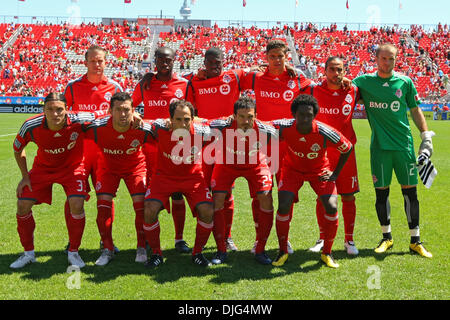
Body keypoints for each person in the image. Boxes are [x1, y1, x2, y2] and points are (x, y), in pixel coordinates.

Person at [352, 43, 433, 258]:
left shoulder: (405, 82)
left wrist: (425, 136)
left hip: (404, 146)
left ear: (396, 60)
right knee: (382, 194)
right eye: (384, 58)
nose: (387, 62)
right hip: (379, 148)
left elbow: (415, 110)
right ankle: (386, 237)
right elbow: (342, 90)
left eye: (391, 59)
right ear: (376, 59)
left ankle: (415, 241)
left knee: (410, 194)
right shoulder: (364, 82)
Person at [10, 93, 105, 269]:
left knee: (76, 203)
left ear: (66, 110)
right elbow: (17, 149)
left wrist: (134, 115)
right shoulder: (30, 125)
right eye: (50, 110)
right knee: (22, 204)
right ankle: (28, 254)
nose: (55, 114)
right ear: (43, 110)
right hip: (43, 169)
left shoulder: (79, 119)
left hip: (72, 169)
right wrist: (25, 176)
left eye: (59, 109)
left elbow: (107, 115)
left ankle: (73, 252)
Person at [240, 39, 315, 254]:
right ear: (266, 57)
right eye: (272, 56)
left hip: (287, 146)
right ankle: (259, 238)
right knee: (261, 194)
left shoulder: (297, 79)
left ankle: (285, 237)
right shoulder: (255, 77)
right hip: (262, 145)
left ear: (286, 57)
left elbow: (320, 88)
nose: (276, 60)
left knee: (286, 195)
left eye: (280, 56)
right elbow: (226, 80)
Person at [271, 94, 353, 268]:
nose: (305, 119)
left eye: (309, 115)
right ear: (294, 114)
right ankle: (283, 250)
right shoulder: (283, 126)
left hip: (319, 171)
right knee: (284, 205)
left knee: (331, 206)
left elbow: (347, 148)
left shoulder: (324, 131)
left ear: (314, 115)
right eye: (301, 115)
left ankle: (327, 253)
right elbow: (262, 128)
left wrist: (335, 174)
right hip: (292, 170)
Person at [132, 46, 193, 254]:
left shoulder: (184, 84)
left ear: (175, 60)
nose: (164, 63)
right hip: (150, 146)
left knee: (177, 193)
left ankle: (179, 239)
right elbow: (130, 106)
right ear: (155, 61)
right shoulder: (145, 84)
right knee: (152, 195)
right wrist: (137, 117)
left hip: (177, 146)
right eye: (160, 60)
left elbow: (194, 113)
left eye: (168, 60)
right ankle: (150, 239)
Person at [64, 45, 123, 253]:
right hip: (79, 151)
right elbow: (64, 119)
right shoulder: (72, 87)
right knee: (74, 196)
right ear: (85, 62)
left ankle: (106, 241)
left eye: (101, 61)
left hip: (104, 152)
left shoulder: (115, 87)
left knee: (104, 197)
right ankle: (73, 242)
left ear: (106, 62)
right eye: (93, 61)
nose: (97, 65)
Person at [83, 92, 153, 265]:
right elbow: (73, 123)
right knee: (103, 207)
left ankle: (141, 246)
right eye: (118, 110)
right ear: (110, 111)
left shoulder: (142, 127)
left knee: (140, 206)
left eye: (127, 110)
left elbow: (167, 128)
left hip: (135, 168)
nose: (123, 114)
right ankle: (108, 249)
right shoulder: (96, 127)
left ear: (133, 110)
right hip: (108, 169)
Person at [143, 100, 214, 268]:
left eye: (187, 119)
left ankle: (197, 253)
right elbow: (140, 121)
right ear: (171, 119)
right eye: (179, 119)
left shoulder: (202, 130)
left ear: (193, 119)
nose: (183, 123)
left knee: (208, 210)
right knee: (149, 209)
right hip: (164, 177)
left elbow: (218, 124)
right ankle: (156, 254)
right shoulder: (160, 128)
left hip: (192, 177)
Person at [207, 96, 277, 265]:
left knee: (266, 198)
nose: (246, 121)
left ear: (256, 116)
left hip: (255, 164)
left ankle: (260, 249)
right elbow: (198, 122)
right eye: (241, 117)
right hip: (226, 164)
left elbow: (287, 126)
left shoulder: (266, 129)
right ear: (234, 116)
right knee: (217, 200)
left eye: (250, 117)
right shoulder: (221, 125)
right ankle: (221, 249)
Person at [308, 57, 360, 255]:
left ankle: (349, 240)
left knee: (348, 196)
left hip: (346, 152)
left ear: (344, 71)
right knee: (323, 197)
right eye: (332, 69)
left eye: (339, 70)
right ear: (325, 70)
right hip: (323, 152)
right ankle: (322, 238)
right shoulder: (313, 90)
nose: (336, 74)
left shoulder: (353, 90)